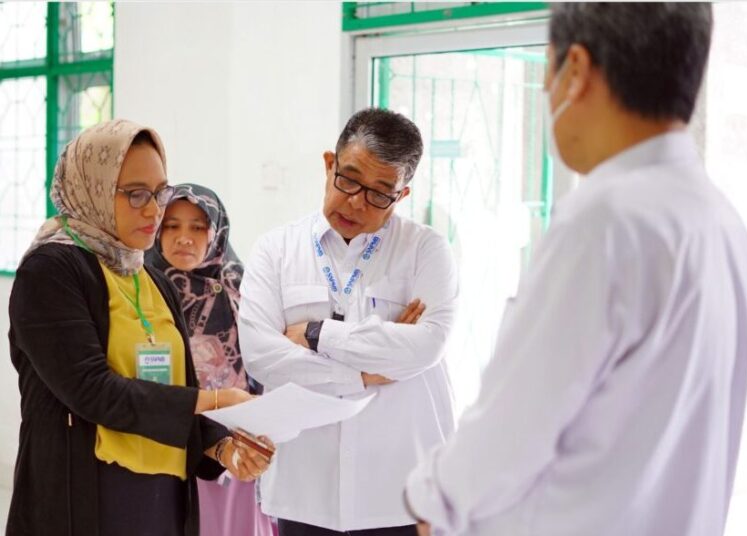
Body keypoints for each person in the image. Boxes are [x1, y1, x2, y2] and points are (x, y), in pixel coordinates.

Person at [404, 4, 747, 536]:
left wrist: (430, 498)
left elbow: (508, 435)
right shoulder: (722, 221)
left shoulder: (605, 221)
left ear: (576, 71)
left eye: (546, 69)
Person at [7, 119, 272, 536]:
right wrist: (215, 399)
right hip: (92, 497)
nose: (154, 210)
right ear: (91, 188)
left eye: (158, 193)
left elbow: (165, 389)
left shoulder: (152, 278)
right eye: (135, 194)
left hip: (162, 495)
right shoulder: (52, 271)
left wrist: (220, 447)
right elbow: (93, 391)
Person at [238, 108, 459, 535]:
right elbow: (262, 357)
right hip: (305, 490)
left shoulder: (426, 252)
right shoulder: (276, 250)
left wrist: (316, 334)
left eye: (380, 192)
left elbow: (428, 346)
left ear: (402, 195)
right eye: (349, 179)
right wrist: (364, 371)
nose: (357, 201)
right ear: (329, 164)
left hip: (398, 496)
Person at [146, 183, 276, 536]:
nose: (183, 237)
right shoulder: (140, 288)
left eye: (197, 226)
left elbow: (269, 353)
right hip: (168, 439)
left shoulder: (242, 286)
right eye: (171, 225)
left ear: (216, 231)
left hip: (238, 442)